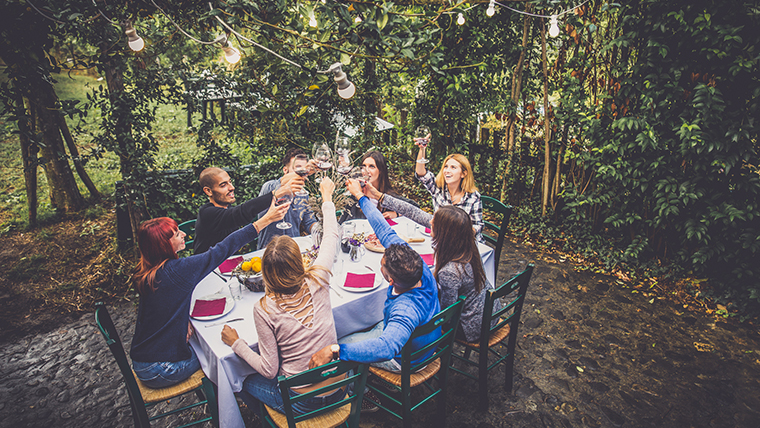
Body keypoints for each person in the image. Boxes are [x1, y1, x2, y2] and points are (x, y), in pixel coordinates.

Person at [130, 200, 290, 389]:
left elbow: (163, 306)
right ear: (162, 245)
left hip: (144, 359)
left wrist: (183, 320)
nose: (184, 234)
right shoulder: (178, 271)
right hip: (162, 368)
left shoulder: (148, 271)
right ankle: (234, 397)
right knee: (223, 356)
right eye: (176, 234)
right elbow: (222, 250)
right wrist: (265, 220)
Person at [220, 177, 345, 416]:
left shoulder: (265, 308)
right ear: (301, 262)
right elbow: (331, 236)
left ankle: (275, 418)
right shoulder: (319, 278)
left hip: (303, 401)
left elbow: (269, 369)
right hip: (341, 387)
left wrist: (237, 343)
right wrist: (327, 197)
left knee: (238, 380)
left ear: (265, 272)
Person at [310, 177, 441, 373]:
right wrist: (360, 196)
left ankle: (362, 393)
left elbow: (386, 347)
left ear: (390, 281)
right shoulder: (417, 264)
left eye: (382, 265)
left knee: (341, 341)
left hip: (407, 359)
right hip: (422, 340)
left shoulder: (406, 309)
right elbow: (382, 228)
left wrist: (335, 350)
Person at [359, 181, 498, 342]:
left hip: (472, 326)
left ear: (445, 234)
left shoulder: (451, 271)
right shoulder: (466, 244)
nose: (429, 221)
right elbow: (414, 212)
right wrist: (378, 196)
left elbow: (445, 315)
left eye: (434, 223)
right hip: (490, 309)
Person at [193, 167, 304, 254]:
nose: (231, 187)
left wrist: (305, 171)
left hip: (228, 265)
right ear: (208, 191)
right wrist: (276, 194)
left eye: (230, 182)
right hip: (207, 273)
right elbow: (240, 214)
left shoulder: (227, 208)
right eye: (223, 185)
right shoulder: (207, 214)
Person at [415, 141, 484, 242]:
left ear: (463, 173)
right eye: (446, 167)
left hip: (466, 244)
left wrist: (462, 234)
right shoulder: (438, 188)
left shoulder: (472, 196)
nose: (447, 170)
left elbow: (478, 225)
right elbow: (421, 173)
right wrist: (422, 149)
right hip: (441, 240)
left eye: (453, 167)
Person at [256, 148, 318, 249]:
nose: (302, 172)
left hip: (293, 250)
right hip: (268, 250)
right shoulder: (269, 187)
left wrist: (321, 230)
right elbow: (273, 191)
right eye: (297, 167)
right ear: (285, 170)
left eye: (305, 168)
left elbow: (309, 221)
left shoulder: (304, 194)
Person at [339, 150, 416, 222]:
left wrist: (397, 214)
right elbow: (342, 223)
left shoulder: (387, 196)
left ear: (380, 171)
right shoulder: (355, 197)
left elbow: (414, 207)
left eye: (371, 166)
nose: (366, 171)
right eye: (364, 166)